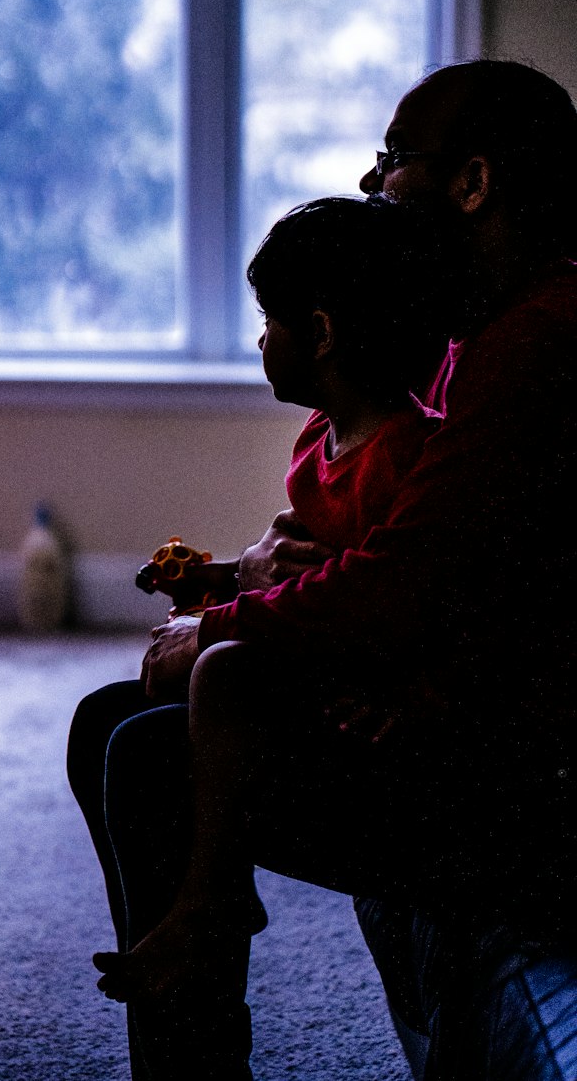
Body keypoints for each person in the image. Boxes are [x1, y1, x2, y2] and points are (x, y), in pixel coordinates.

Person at [68, 59, 577, 1080]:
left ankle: (198, 1023)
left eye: (392, 159)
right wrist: (259, 572)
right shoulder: (470, 338)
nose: (370, 178)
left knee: (144, 754)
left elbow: (402, 589)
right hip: (461, 707)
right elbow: (409, 552)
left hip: (510, 770)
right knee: (109, 722)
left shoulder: (536, 345)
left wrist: (217, 629)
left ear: (471, 182)